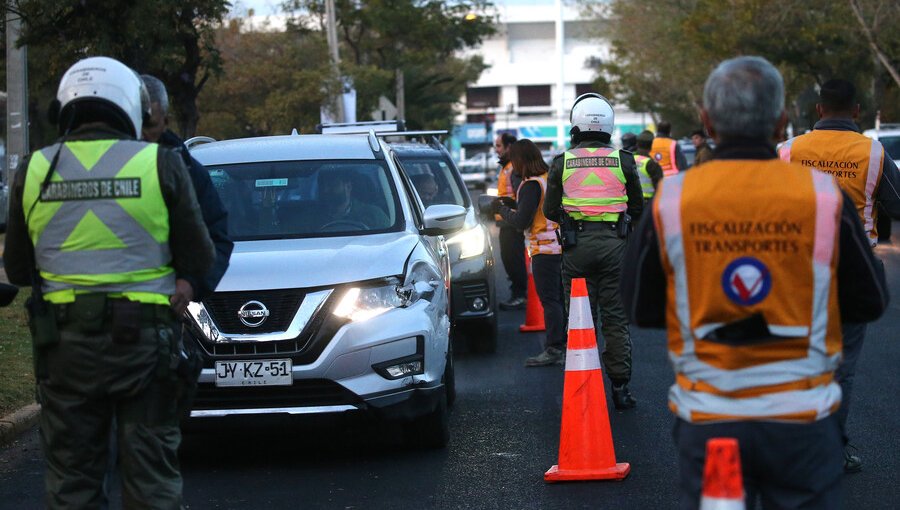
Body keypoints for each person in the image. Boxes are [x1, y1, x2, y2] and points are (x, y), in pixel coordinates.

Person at [622, 56, 888, 509]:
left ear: (706, 120)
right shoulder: (824, 195)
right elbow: (871, 299)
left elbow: (640, 309)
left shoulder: (673, 199)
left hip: (712, 422)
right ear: (782, 121)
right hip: (801, 425)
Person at [2, 56, 215, 508]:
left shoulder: (35, 168)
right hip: (144, 345)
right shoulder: (159, 162)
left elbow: (19, 271)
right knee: (151, 479)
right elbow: (200, 256)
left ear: (66, 107)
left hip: (63, 349)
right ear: (130, 105)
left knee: (73, 482)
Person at [778, 78, 900, 473]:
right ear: (857, 112)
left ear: (818, 110)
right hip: (853, 270)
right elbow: (898, 207)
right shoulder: (875, 153)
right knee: (842, 366)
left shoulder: (789, 151)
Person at [543, 92, 644, 410]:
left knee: (581, 318)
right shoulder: (624, 160)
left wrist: (573, 218)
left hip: (577, 248)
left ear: (576, 125)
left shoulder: (562, 162)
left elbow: (549, 210)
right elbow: (638, 207)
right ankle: (621, 389)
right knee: (615, 317)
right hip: (616, 246)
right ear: (609, 126)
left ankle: (583, 386)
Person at [141, 75, 233, 302]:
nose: (142, 135)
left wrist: (191, 284)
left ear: (165, 120)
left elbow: (216, 236)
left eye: (149, 125)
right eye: (136, 124)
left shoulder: (188, 170)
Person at [495, 139, 565, 366]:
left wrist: (500, 209)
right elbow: (534, 210)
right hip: (558, 246)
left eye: (514, 161)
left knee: (550, 301)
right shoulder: (546, 179)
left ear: (520, 160)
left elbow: (521, 220)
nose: (512, 167)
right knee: (559, 299)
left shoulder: (530, 185)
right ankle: (565, 344)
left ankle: (555, 348)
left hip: (543, 250)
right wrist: (512, 203)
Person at [494, 132, 527, 310]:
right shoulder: (508, 166)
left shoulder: (514, 167)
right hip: (507, 218)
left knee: (513, 259)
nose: (496, 149)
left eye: (499, 146)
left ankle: (520, 295)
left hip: (512, 221)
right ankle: (519, 292)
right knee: (509, 259)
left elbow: (520, 195)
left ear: (508, 147)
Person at [318, 169, 390, 229]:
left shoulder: (374, 215)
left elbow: (389, 240)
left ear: (348, 187)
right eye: (322, 186)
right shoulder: (311, 215)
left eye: (332, 185)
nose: (325, 190)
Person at [635, 130, 664, 202]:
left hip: (631, 203)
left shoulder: (628, 159)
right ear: (651, 145)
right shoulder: (651, 164)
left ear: (637, 144)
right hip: (648, 203)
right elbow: (660, 187)